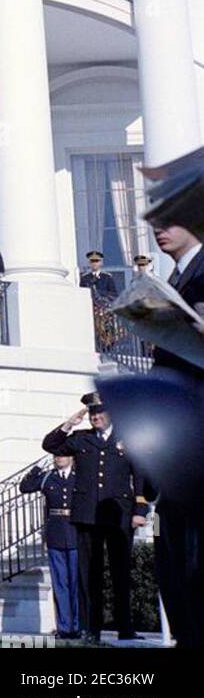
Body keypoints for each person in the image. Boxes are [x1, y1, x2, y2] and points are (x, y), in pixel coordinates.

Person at [42, 400, 147, 643]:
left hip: (118, 514)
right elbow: (50, 445)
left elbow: (139, 474)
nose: (95, 417)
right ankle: (92, 629)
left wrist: (140, 509)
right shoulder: (80, 438)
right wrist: (69, 424)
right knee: (90, 575)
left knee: (121, 573)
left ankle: (125, 627)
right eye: (92, 413)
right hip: (87, 516)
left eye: (99, 412)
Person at [148, 220, 203, 647]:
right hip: (177, 445)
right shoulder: (176, 278)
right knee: (175, 569)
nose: (158, 230)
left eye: (168, 221)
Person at [21, 454, 80, 639]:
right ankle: (64, 627)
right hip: (55, 535)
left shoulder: (80, 477)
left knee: (76, 583)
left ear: (71, 457)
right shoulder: (48, 477)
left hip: (76, 533)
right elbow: (25, 487)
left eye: (63, 455)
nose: (59, 458)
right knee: (60, 583)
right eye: (56, 455)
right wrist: (37, 468)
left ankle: (78, 626)